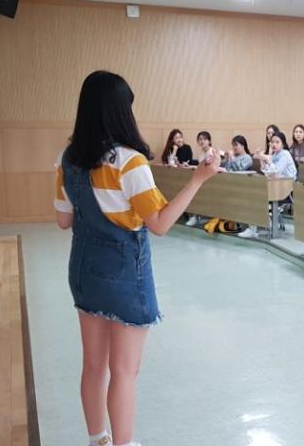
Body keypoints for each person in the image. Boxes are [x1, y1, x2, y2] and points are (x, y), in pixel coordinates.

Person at [54, 71, 220, 446]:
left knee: (93, 366)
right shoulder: (130, 163)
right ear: (120, 110)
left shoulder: (68, 158)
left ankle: (98, 439)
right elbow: (159, 224)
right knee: (124, 372)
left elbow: (63, 221)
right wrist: (198, 179)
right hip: (124, 274)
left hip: (83, 269)